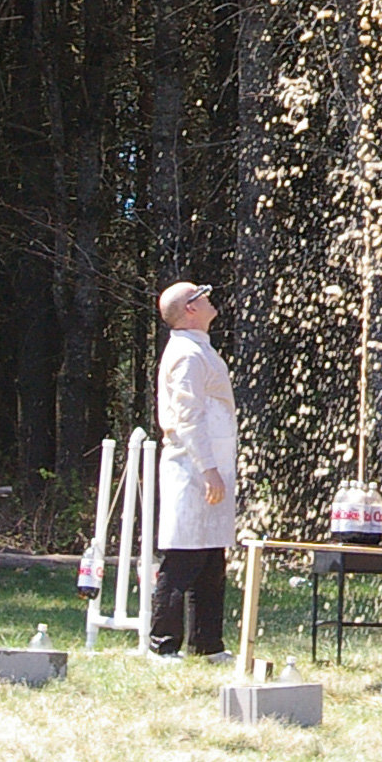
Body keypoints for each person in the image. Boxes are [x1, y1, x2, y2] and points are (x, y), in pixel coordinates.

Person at [149, 281, 237, 663]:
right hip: (192, 469)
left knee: (210, 560)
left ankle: (207, 644)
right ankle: (162, 644)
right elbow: (187, 418)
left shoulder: (199, 349)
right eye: (201, 295)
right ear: (190, 308)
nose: (209, 298)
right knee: (183, 558)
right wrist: (208, 469)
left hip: (210, 467)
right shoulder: (186, 354)